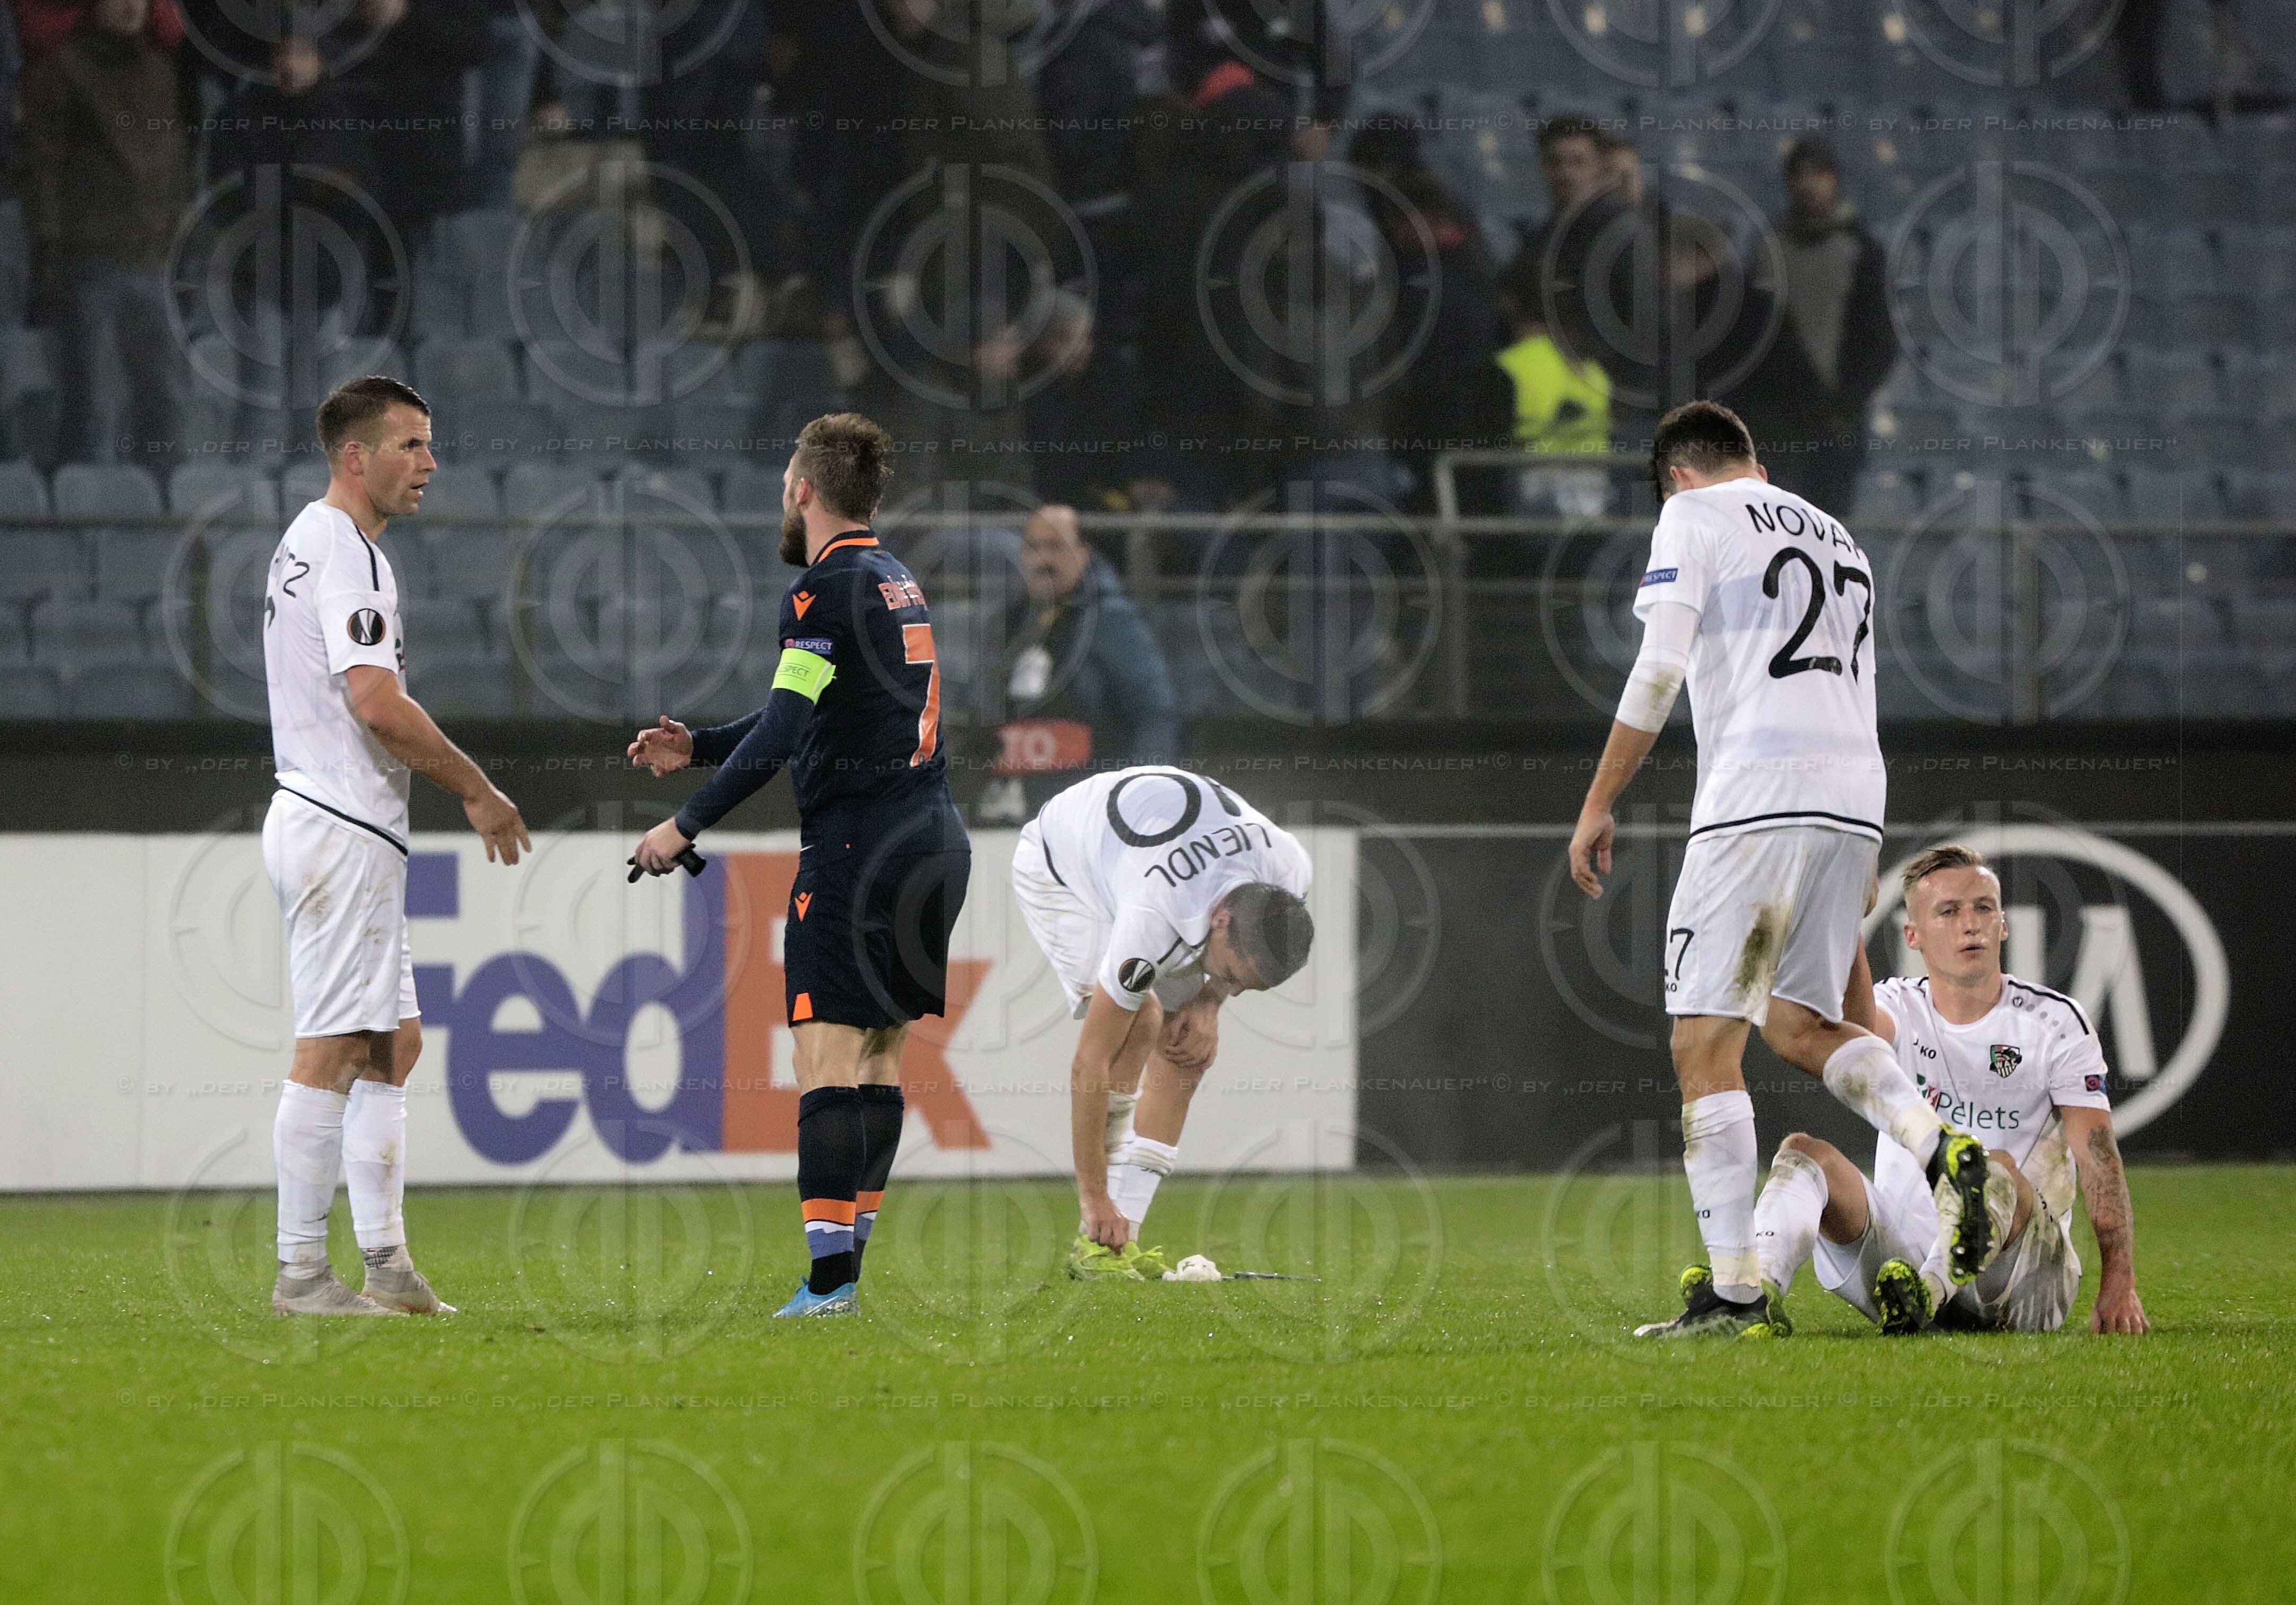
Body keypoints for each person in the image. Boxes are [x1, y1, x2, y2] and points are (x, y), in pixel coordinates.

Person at [1567, 401, 1995, 1338]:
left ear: (1678, 474)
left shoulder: (1692, 513)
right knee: (1801, 1022)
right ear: (1751, 460)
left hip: (1754, 801)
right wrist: (1857, 835)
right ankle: (1938, 1147)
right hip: (1850, 797)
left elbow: (1656, 669)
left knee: (1702, 1045)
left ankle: (1734, 1291)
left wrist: (1599, 799)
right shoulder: (1840, 535)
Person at [626, 413, 972, 1320]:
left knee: (824, 1051)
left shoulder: (823, 588)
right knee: (881, 1056)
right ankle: (845, 1271)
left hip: (859, 843)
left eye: (786, 483)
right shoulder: (894, 578)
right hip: (934, 838)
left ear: (803, 491)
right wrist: (697, 744)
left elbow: (786, 727)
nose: (784, 496)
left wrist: (683, 823)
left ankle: (826, 1285)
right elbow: (808, 710)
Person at [262, 376, 531, 1317]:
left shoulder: (312, 536)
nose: (429, 464)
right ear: (355, 456)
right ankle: (300, 1271)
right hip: (339, 825)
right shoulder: (349, 555)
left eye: (427, 443)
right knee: (332, 1045)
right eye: (410, 445)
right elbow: (376, 703)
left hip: (336, 822)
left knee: (393, 1042)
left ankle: (387, 1266)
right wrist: (478, 787)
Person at [1743, 844, 2150, 1337]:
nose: (1971, 923)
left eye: (1984, 907)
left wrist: (2119, 1281)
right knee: (1802, 1155)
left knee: (1991, 1167)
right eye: (1949, 911)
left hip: (2022, 1279)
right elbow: (1853, 1033)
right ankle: (1752, 1294)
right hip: (1899, 1266)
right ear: (1913, 935)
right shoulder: (1899, 1006)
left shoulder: (2055, 1022)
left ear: (2003, 924)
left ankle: (1928, 1294)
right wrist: (1847, 921)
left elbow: (2099, 1157)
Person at [1010, 766, 1315, 1278]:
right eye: (1234, 975)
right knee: (1141, 1019)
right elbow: (1090, 1062)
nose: (1235, 986)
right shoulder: (1158, 916)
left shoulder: (1290, 870)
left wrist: (1212, 998)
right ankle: (1097, 1233)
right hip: (1060, 866)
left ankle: (1117, 1243)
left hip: (1143, 858)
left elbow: (1226, 974)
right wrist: (1094, 1195)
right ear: (1221, 922)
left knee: (1186, 1048)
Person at [23, 0, 190, 467]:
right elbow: (43, 168)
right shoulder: (64, 69)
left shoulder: (160, 69)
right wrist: (51, 253)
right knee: (91, 401)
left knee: (162, 401)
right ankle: (82, 520)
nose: (131, 6)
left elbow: (173, 160)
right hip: (89, 259)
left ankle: (162, 518)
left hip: (154, 256)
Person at [976, 504, 1180, 826]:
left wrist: (1139, 804)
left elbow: (1154, 715)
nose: (1043, 559)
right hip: (1014, 816)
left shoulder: (1112, 621)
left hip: (1094, 818)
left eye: (1055, 547)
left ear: (1084, 553)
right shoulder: (1006, 623)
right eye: (1033, 548)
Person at [1772, 138, 1895, 519]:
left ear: (1835, 180)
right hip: (1777, 424)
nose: (1809, 185)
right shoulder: (1768, 249)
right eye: (1800, 175)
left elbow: (1880, 340)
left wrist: (1846, 402)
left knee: (1829, 536)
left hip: (1838, 426)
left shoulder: (1863, 252)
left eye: (1818, 174)